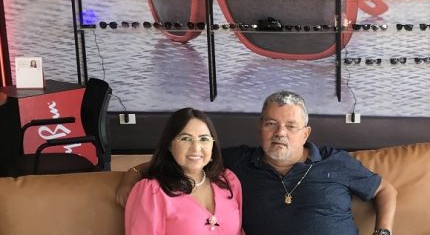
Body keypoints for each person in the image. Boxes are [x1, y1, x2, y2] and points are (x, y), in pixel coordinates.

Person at [118, 91, 396, 235]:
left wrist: (383, 232)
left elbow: (385, 190)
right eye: (271, 123)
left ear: (305, 133)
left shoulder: (335, 161)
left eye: (291, 126)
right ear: (260, 127)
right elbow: (189, 158)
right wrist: (132, 175)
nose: (280, 133)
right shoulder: (237, 164)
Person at [124, 108, 242, 235]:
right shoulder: (152, 192)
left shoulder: (228, 180)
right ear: (170, 145)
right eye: (186, 138)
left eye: (204, 139)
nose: (196, 147)